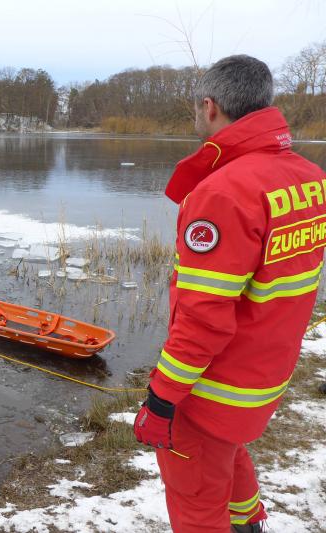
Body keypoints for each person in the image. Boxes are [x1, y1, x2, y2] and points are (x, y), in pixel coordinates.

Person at [133, 55, 326, 533]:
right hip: (262, 376)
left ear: (210, 107)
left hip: (212, 387)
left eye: (197, 109)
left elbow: (204, 319)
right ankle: (247, 524)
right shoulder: (309, 178)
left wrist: (162, 398)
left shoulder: (224, 193)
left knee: (196, 501)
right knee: (226, 451)